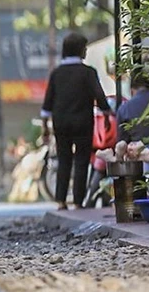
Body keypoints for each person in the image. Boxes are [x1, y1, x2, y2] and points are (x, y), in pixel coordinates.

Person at [41, 32, 113, 210]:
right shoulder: (88, 73)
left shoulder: (57, 74)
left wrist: (45, 128)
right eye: (85, 48)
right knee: (81, 160)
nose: (86, 52)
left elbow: (47, 103)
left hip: (61, 123)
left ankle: (60, 201)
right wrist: (106, 115)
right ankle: (78, 202)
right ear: (80, 50)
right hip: (83, 122)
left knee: (64, 159)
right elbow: (100, 97)